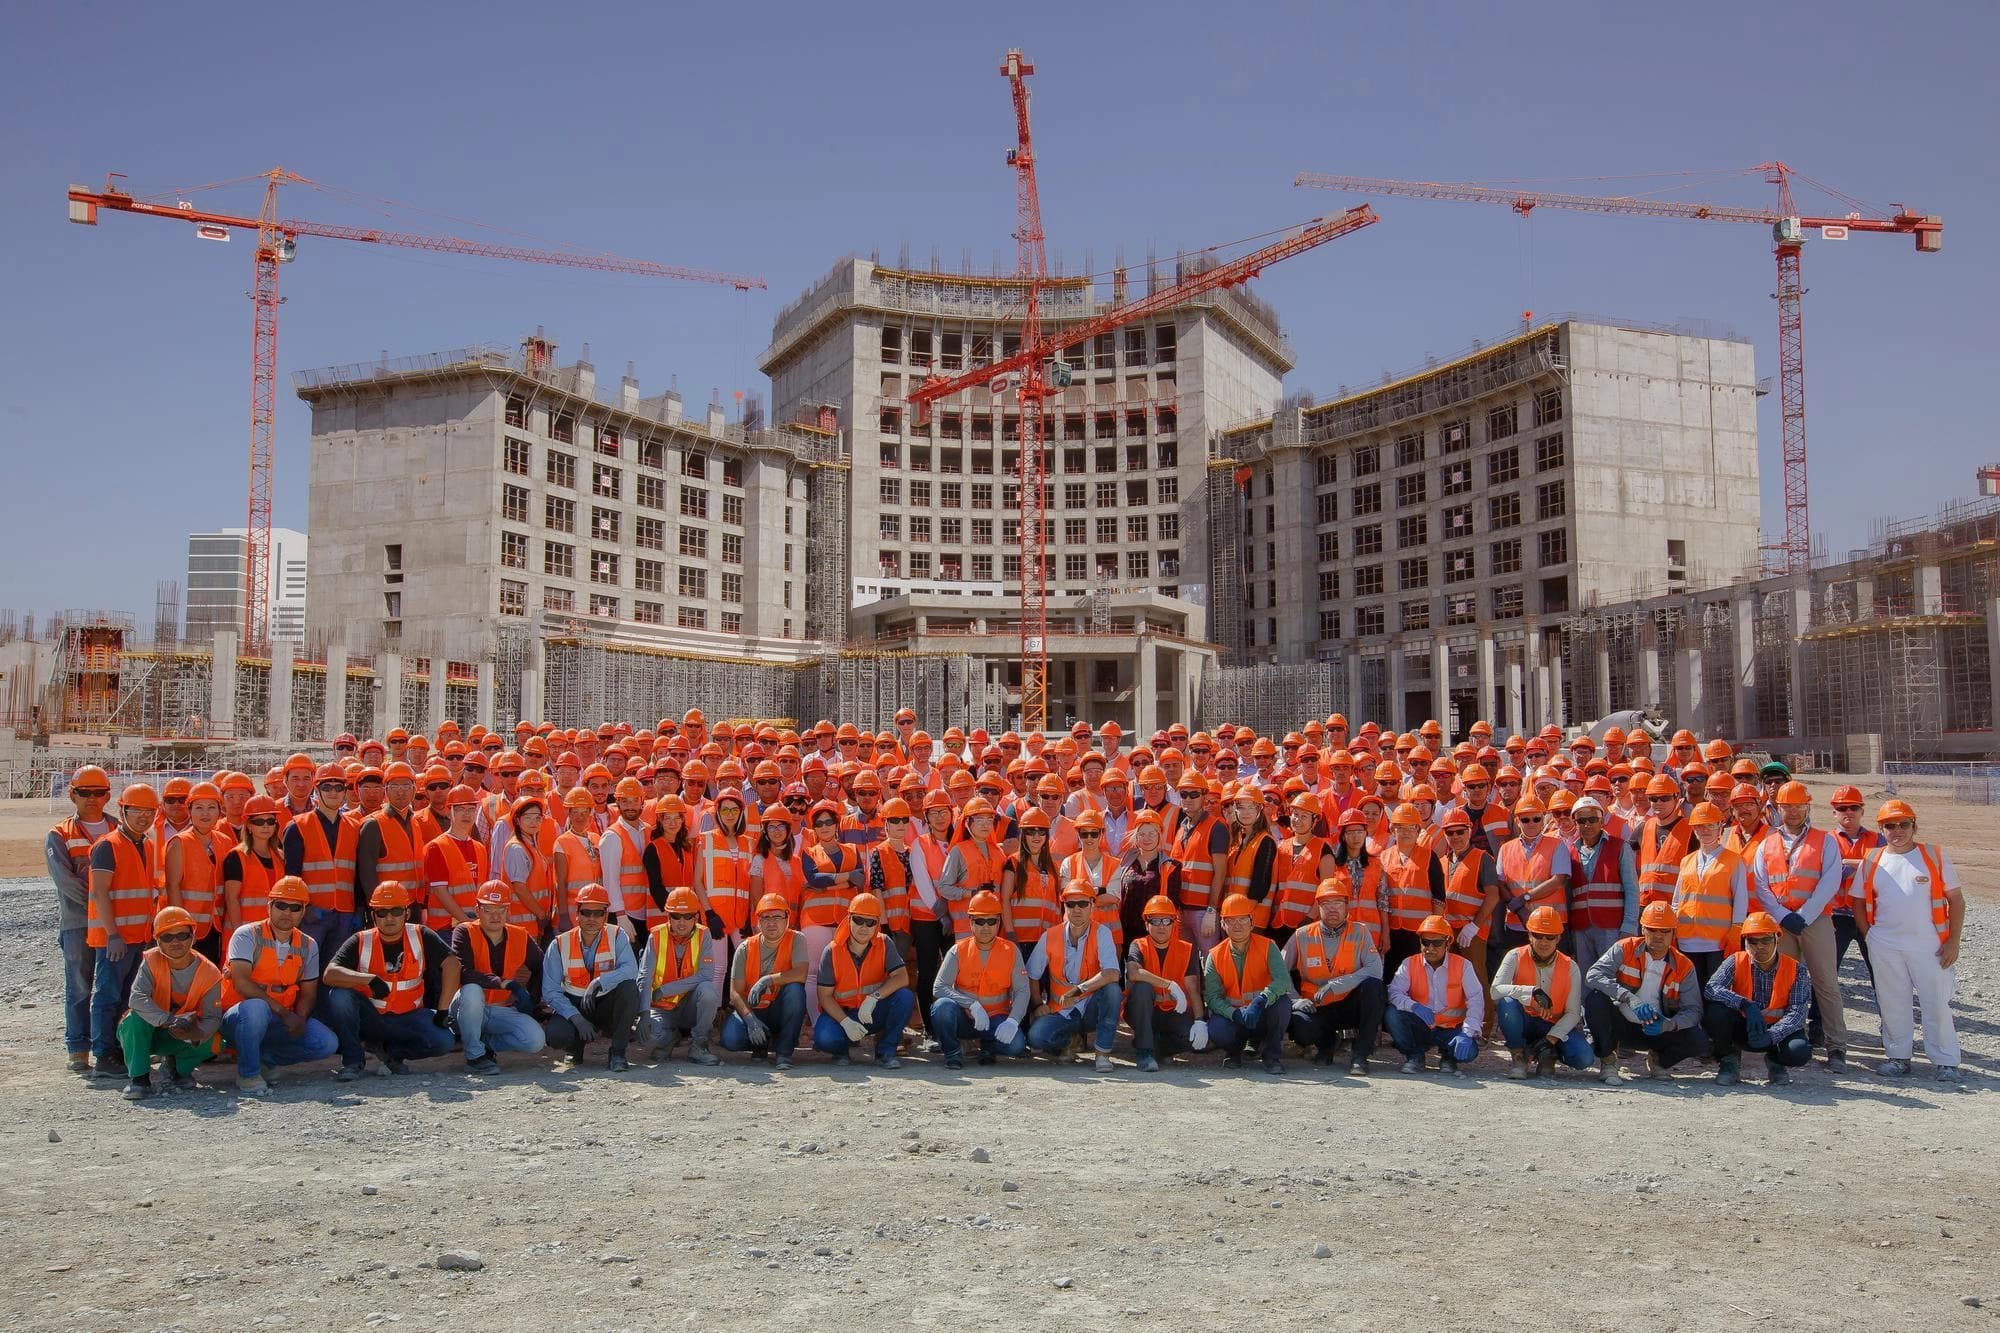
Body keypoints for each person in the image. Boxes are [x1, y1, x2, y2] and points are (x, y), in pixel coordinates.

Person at [1854, 799, 1965, 1083]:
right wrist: (1869, 936)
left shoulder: (1934, 856)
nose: (1897, 830)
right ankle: (1898, 1057)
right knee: (1892, 1002)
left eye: (1904, 824)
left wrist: (1953, 941)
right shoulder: (1872, 860)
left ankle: (1945, 1060)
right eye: (1890, 825)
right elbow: (1857, 902)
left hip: (1930, 945)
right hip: (1885, 944)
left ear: (1914, 826)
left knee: (1936, 1002)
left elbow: (1956, 900)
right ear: (1881, 829)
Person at [1751, 781, 1848, 1070]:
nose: (1792, 812)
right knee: (1782, 984)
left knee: (1826, 983)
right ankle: (1785, 1039)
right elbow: (1761, 884)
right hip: (1781, 924)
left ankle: (1836, 1047)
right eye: (1786, 806)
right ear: (1777, 808)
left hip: (1814, 920)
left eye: (1797, 806)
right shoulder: (1767, 843)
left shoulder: (1825, 840)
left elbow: (1830, 881)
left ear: (1807, 807)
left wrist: (1804, 914)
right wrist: (1781, 916)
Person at [320, 881, 460, 1076]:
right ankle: (353, 1061)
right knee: (340, 996)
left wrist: (443, 1010)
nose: (389, 918)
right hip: (371, 1018)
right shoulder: (361, 939)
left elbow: (452, 964)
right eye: (382, 912)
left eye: (396, 911)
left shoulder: (421, 934)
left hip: (409, 1016)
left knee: (444, 1041)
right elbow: (330, 974)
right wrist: (367, 979)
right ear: (373, 915)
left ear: (407, 913)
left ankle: (391, 1053)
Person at [219, 876, 339, 1093]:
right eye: (281, 905)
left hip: (278, 1020)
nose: (287, 912)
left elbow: (308, 993)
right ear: (269, 906)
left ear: (304, 911)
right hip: (238, 1018)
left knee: (327, 1042)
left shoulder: (308, 945)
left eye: (295, 907)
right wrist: (285, 1014)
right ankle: (248, 1075)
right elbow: (242, 983)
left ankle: (264, 1059)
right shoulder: (246, 935)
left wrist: (299, 1019)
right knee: (256, 1008)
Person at [1581, 900, 1710, 1084]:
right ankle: (1608, 1060)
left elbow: (1694, 1011)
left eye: (1665, 931)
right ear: (1643, 929)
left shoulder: (1684, 966)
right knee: (1595, 999)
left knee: (1699, 1040)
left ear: (1674, 933)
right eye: (1652, 929)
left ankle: (1660, 1062)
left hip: (1657, 1029)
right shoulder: (1625, 948)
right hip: (1622, 1024)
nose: (1658, 936)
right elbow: (1593, 975)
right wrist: (1628, 997)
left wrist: (1669, 1025)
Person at [86, 781, 161, 1079]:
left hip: (138, 937)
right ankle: (104, 1055)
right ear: (123, 810)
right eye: (137, 810)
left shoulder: (148, 844)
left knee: (127, 997)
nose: (144, 816)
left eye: (149, 811)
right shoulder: (107, 846)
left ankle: (120, 1049)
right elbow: (100, 893)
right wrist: (113, 934)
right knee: (107, 995)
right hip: (114, 940)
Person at [48, 765, 115, 1074]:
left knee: (113, 988)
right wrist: (101, 904)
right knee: (79, 987)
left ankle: (112, 1046)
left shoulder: (119, 828)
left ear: (108, 795)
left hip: (116, 925)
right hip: (78, 924)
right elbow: (66, 882)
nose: (92, 799)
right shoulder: (60, 834)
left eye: (98, 793)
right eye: (85, 793)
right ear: (72, 794)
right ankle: (78, 1048)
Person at [117, 906, 223, 1101]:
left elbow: (212, 1017)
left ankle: (177, 1069)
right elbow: (137, 997)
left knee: (216, 1041)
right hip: (151, 1030)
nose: (175, 942)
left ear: (193, 936)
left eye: (182, 935)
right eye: (167, 937)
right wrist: (166, 1020)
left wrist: (196, 1034)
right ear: (158, 941)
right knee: (133, 1019)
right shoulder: (151, 960)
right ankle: (139, 1080)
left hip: (184, 1032)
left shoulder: (210, 972)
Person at [1283, 878, 1385, 1073]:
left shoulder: (1360, 932)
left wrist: (1336, 985)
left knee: (1374, 988)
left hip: (1349, 1005)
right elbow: (1278, 970)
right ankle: (1327, 1044)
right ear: (1318, 907)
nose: (1332, 909)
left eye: (1337, 903)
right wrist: (1295, 1000)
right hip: (1316, 1007)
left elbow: (1375, 970)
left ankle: (1360, 1055)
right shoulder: (1302, 935)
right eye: (1326, 904)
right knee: (1299, 1025)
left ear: (1347, 906)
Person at [1703, 911, 1813, 1087]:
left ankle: (1776, 1062)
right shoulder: (1736, 961)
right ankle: (1728, 1060)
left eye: (1766, 940)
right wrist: (1744, 1004)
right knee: (1715, 1013)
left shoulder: (1796, 969)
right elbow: (1711, 988)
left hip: (1777, 1031)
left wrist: (1772, 1036)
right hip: (1745, 1027)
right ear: (1745, 942)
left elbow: (1798, 1012)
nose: (1759, 946)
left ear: (1777, 939)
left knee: (1799, 1051)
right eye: (1753, 941)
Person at [447, 884, 548, 1074]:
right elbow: (464, 973)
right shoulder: (464, 931)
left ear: (508, 910)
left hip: (499, 1009)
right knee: (472, 990)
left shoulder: (520, 935)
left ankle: (485, 1044)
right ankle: (474, 1055)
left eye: (501, 909)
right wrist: (504, 983)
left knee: (535, 1040)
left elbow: (542, 967)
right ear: (477, 910)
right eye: (488, 909)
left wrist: (531, 1000)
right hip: (465, 1007)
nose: (495, 916)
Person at [541, 883, 642, 1070]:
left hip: (605, 1002)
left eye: (598, 913)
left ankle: (618, 1053)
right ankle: (574, 1050)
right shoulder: (560, 944)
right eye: (586, 912)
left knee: (629, 988)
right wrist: (576, 1017)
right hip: (575, 1003)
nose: (592, 918)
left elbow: (631, 970)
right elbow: (550, 991)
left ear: (606, 915)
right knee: (556, 1035)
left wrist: (599, 982)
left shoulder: (617, 935)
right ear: (577, 914)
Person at [811, 892, 915, 1068]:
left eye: (870, 922)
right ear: (849, 919)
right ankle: (841, 1051)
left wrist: (874, 997)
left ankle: (885, 1052)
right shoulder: (832, 951)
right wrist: (845, 1022)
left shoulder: (884, 943)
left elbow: (902, 977)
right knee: (824, 1038)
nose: (864, 927)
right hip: (842, 1014)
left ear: (877, 924)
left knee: (905, 997)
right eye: (858, 920)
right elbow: (824, 996)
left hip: (872, 1011)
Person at [1491, 905, 1595, 1079]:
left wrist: (1551, 1039)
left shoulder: (1571, 967)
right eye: (1538, 935)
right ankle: (1519, 1057)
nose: (1544, 941)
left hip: (1553, 1024)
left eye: (1550, 937)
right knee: (1506, 1003)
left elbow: (1573, 1013)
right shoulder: (1514, 956)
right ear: (1529, 935)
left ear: (1558, 938)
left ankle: (1549, 1054)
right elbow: (1495, 991)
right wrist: (1531, 991)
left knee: (1584, 1058)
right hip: (1524, 1019)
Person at [929, 890, 1030, 1069]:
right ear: (970, 922)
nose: (985, 927)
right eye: (979, 921)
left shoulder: (1010, 950)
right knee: (941, 1008)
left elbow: (1022, 990)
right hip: (965, 1017)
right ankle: (953, 1053)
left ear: (999, 921)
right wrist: (971, 1005)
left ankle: (988, 1046)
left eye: (991, 921)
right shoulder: (958, 950)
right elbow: (939, 987)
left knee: (1016, 1045)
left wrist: (1013, 1021)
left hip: (996, 1018)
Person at [1026, 884, 1123, 1071]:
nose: (1077, 909)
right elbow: (1031, 974)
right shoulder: (1051, 935)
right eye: (1071, 904)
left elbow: (1113, 973)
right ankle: (1070, 1041)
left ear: (1092, 906)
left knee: (1113, 991)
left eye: (1082, 903)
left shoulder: (1102, 932)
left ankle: (1102, 1053)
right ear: (1064, 907)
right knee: (1036, 1037)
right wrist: (1038, 1005)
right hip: (1061, 1010)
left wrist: (1079, 989)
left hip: (1090, 1008)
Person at [1202, 892, 1294, 1073]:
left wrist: (1260, 1001)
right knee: (1216, 1028)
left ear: (1252, 921)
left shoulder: (1268, 946)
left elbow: (1283, 981)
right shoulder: (1214, 955)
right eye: (1231, 920)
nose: (1237, 925)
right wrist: (1234, 1013)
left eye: (1243, 919)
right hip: (1234, 1018)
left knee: (1283, 1004)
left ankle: (1272, 1057)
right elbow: (1212, 997)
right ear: (1222, 924)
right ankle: (1233, 1053)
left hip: (1261, 1014)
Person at [1385, 914, 1484, 1075]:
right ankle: (1415, 1056)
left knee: (1470, 1051)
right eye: (1426, 942)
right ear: (1420, 942)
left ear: (1448, 943)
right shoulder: (1409, 963)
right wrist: (1414, 1006)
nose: (1430, 948)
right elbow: (1394, 993)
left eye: (1437, 943)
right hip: (1422, 1026)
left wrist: (1467, 1033)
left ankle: (1449, 1057)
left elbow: (1476, 1000)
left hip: (1452, 1029)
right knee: (1392, 1014)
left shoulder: (1463, 965)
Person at [720, 892, 809, 1069]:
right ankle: (759, 1045)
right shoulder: (745, 947)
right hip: (754, 1010)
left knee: (795, 991)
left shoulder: (797, 939)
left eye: (777, 916)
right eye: (765, 917)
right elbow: (735, 992)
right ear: (758, 921)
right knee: (730, 1039)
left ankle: (784, 1052)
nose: (771, 922)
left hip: (778, 1010)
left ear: (787, 918)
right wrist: (750, 1020)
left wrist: (767, 980)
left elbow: (801, 974)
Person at [636, 886, 722, 1065]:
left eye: (687, 916)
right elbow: (644, 976)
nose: (681, 922)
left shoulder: (703, 934)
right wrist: (643, 1014)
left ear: (696, 917)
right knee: (646, 1035)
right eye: (676, 916)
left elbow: (706, 975)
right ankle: (670, 1038)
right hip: (661, 1008)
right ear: (668, 917)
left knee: (708, 991)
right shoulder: (656, 936)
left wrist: (667, 989)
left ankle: (699, 1045)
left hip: (689, 1006)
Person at [1124, 894, 1206, 1071]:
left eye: (1167, 921)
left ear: (1174, 923)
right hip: (1142, 1011)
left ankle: (1157, 1046)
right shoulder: (1138, 945)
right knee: (1142, 987)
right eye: (1155, 920)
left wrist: (1200, 1021)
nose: (1161, 926)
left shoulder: (1186, 949)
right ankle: (1145, 1052)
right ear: (1147, 924)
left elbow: (1192, 989)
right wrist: (1168, 984)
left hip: (1172, 1012)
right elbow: (1133, 972)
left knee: (1197, 1041)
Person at [1672, 801, 1748, 985]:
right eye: (1699, 826)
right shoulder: (1687, 861)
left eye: (1710, 825)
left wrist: (1736, 929)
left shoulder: (1733, 861)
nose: (1705, 830)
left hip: (1717, 941)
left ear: (1720, 826)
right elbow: (1677, 901)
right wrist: (1672, 929)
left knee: (1715, 991)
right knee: (1691, 991)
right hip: (1686, 939)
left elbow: (1740, 898)